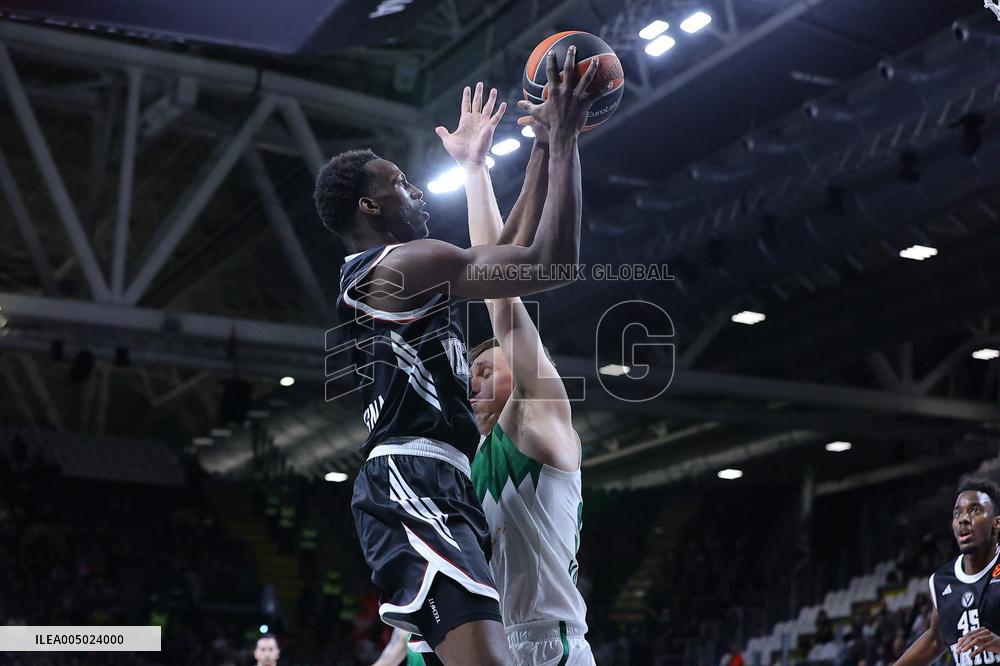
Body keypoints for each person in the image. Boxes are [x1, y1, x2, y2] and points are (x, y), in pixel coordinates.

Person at [318, 46, 607, 666]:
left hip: (439, 495)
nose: (416, 191)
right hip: (410, 480)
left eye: (485, 366)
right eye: (400, 183)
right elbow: (544, 265)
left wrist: (525, 156)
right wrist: (560, 144)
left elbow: (500, 282)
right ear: (369, 206)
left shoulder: (529, 421)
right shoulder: (401, 264)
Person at [439, 72, 598, 663]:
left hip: (549, 649)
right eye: (472, 374)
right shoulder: (471, 461)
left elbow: (499, 294)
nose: (475, 379)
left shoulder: (539, 425)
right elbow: (490, 274)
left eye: (489, 370)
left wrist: (560, 145)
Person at [895, 476, 1000, 665]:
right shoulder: (942, 581)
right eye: (957, 513)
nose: (964, 519)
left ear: (996, 523)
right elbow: (936, 640)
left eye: (975, 510)